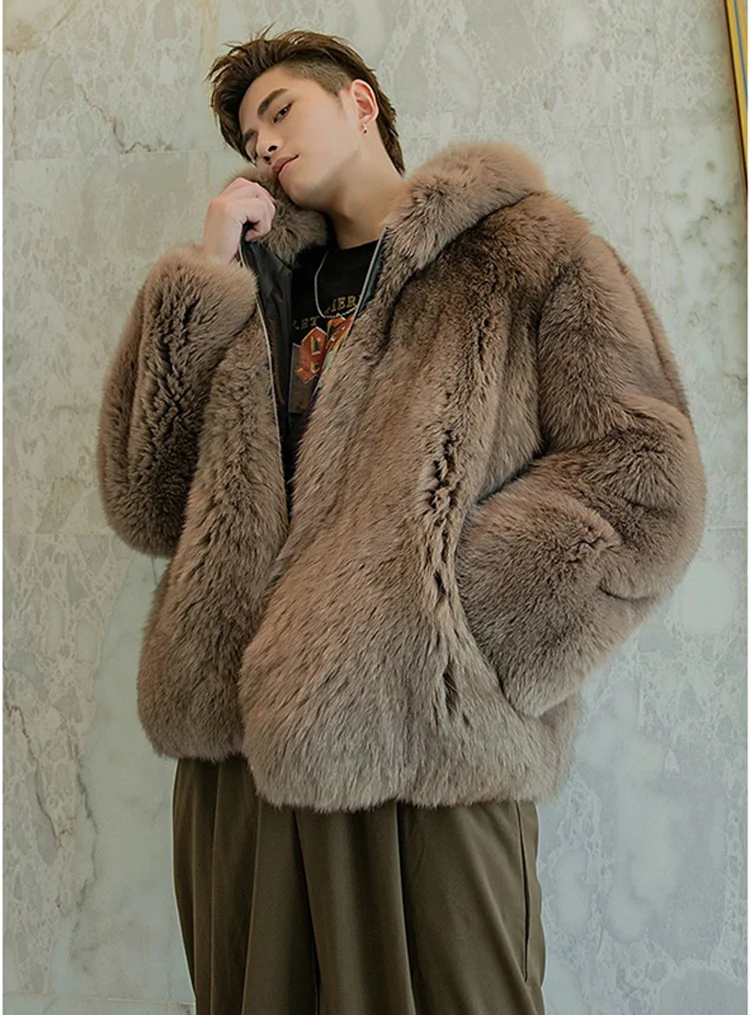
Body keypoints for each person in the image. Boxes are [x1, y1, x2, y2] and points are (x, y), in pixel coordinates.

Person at [95, 23, 707, 1015]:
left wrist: (447, 633)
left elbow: (646, 481)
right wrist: (204, 280)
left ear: (360, 102)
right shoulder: (250, 287)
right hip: (237, 774)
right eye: (248, 138)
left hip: (428, 765)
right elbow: (148, 502)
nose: (264, 144)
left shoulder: (524, 253)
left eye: (280, 111)